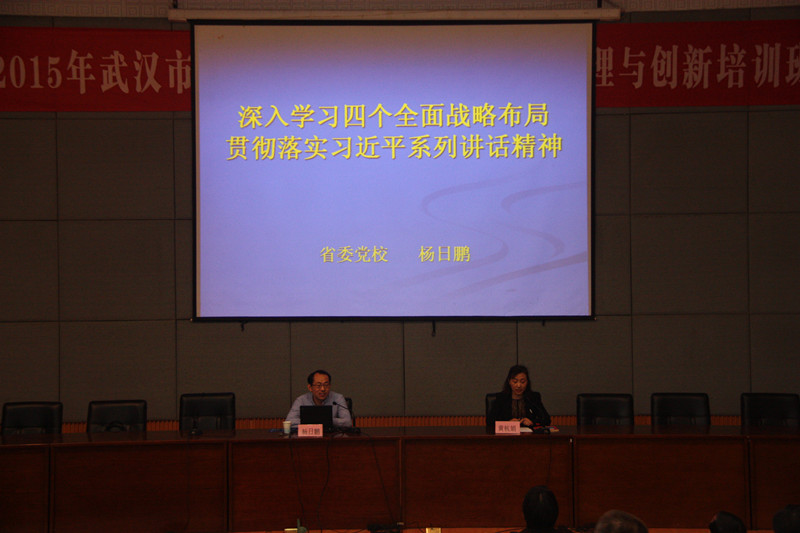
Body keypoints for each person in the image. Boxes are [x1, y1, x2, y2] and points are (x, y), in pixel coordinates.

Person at [488, 365, 551, 430]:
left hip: (528, 434)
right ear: (509, 382)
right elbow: (490, 422)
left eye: (522, 382)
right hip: (507, 434)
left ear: (527, 382)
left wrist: (532, 422)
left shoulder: (533, 397)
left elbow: (547, 420)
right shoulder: (501, 398)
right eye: (515, 382)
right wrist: (507, 423)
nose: (518, 385)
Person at [285, 369, 352, 429]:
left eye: (326, 385)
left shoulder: (338, 398)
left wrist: (327, 420)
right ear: (310, 387)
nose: (323, 389)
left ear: (330, 386)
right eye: (318, 385)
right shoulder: (301, 400)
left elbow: (348, 422)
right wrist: (316, 420)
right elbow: (289, 421)